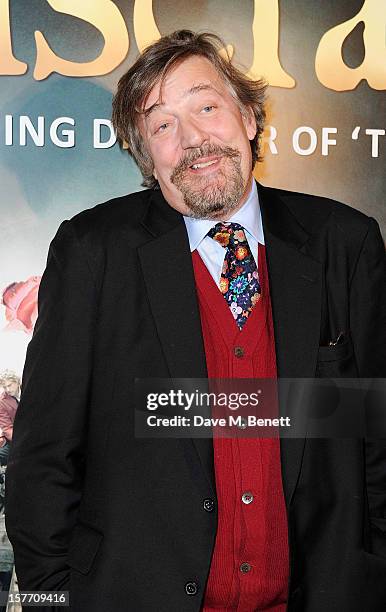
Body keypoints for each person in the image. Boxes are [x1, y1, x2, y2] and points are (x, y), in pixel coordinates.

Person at [5, 30, 386, 612]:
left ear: (250, 117)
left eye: (206, 106)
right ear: (145, 155)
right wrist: (51, 600)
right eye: (162, 126)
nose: (193, 140)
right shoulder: (91, 250)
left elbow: (376, 439)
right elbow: (45, 451)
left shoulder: (346, 242)